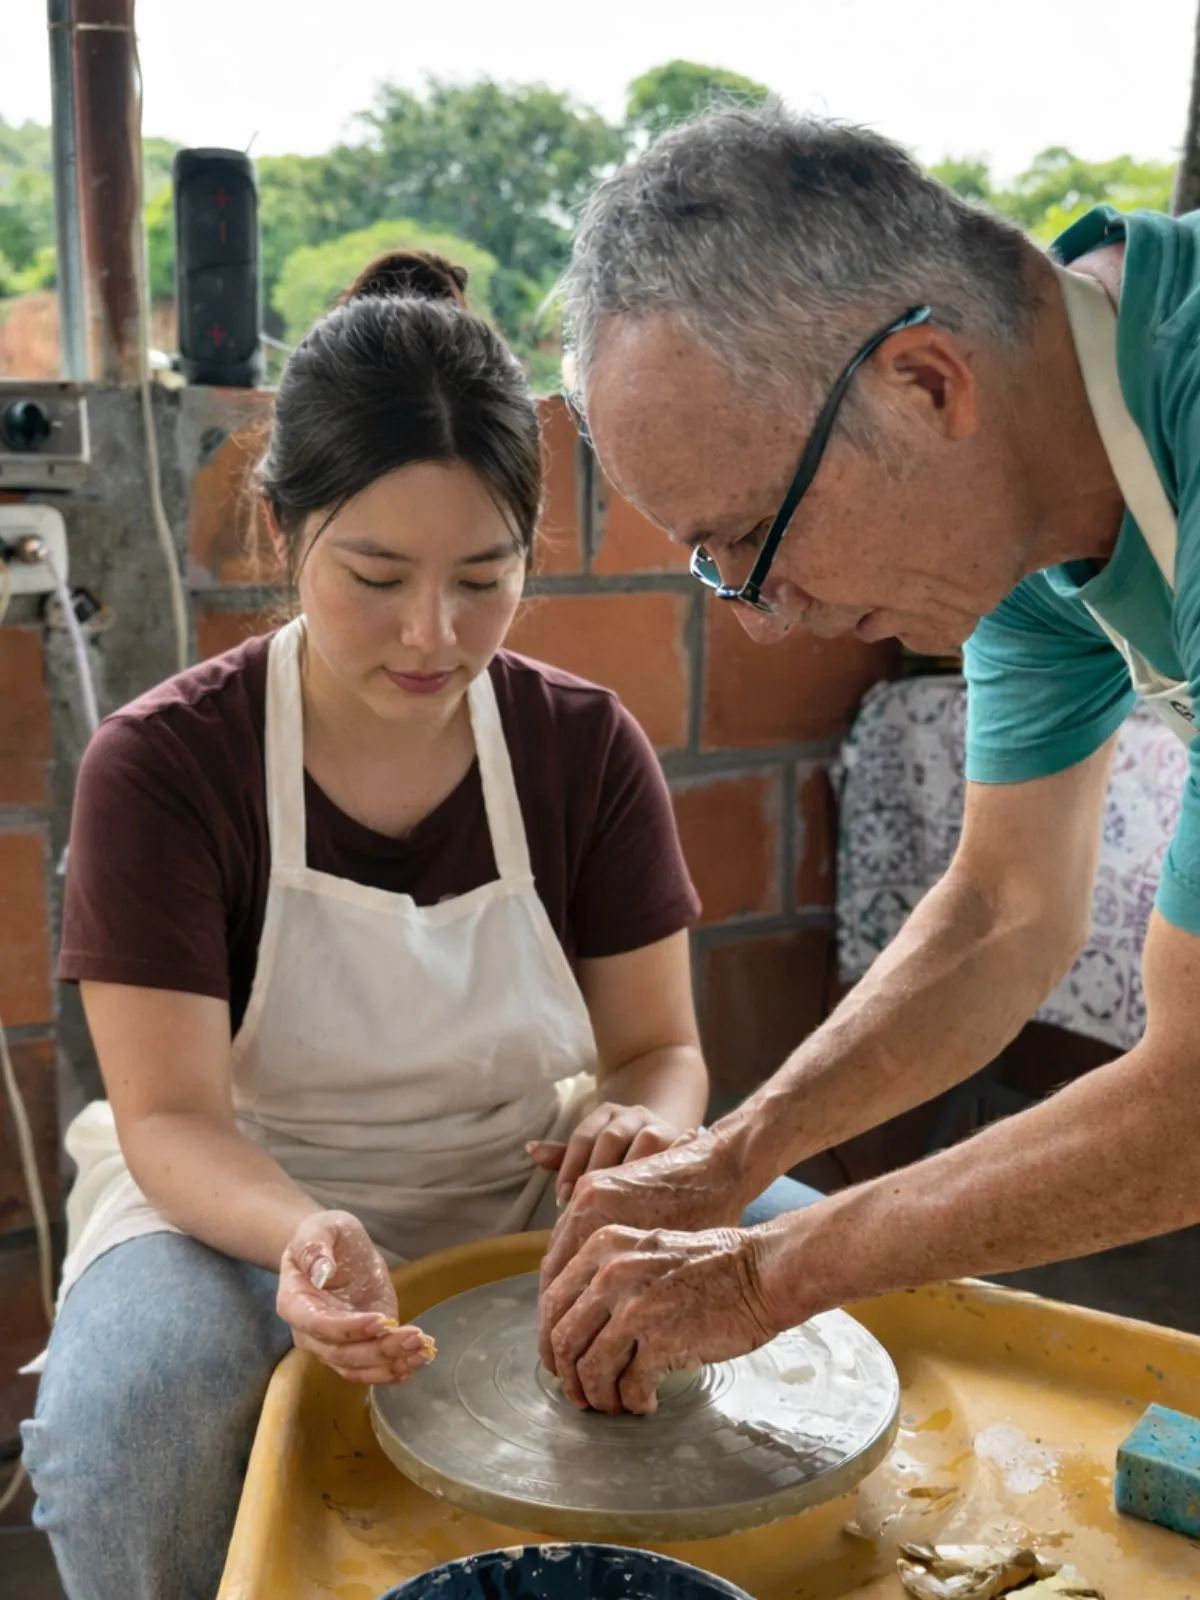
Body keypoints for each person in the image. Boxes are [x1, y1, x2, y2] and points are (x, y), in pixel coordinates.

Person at [21, 249, 811, 1600]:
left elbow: (660, 1049)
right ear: (283, 532)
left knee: (834, 1287)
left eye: (483, 578)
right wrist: (302, 1235)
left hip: (534, 1188)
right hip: (238, 1205)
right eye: (377, 576)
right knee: (131, 1432)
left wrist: (647, 1130)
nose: (433, 635)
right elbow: (172, 1120)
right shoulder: (166, 764)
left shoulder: (580, 746)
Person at [538, 103, 1200, 1417]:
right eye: (713, 566)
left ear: (927, 384)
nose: (763, 618)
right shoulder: (1031, 500)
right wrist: (732, 1159)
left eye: (757, 536)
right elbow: (1007, 907)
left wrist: (766, 1273)